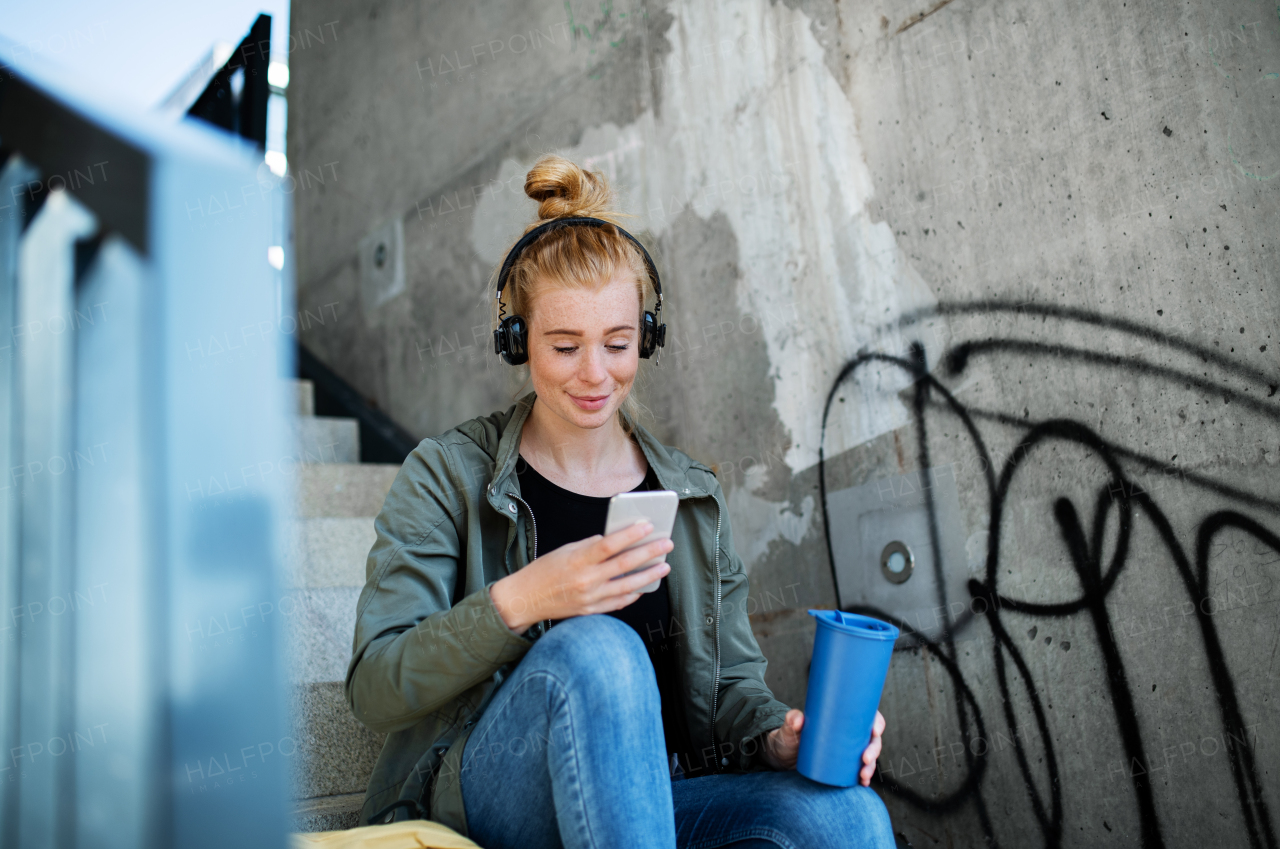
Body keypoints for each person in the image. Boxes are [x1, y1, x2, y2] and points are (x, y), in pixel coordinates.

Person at [345, 154, 894, 849]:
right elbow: (376, 687)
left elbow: (729, 692)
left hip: (650, 798)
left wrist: (779, 735)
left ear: (647, 337)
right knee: (600, 649)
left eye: (618, 342)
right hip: (495, 792)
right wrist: (523, 599)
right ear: (517, 342)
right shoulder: (447, 474)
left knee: (851, 817)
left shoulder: (689, 493)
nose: (596, 374)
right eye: (565, 345)